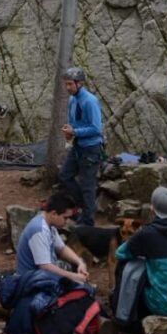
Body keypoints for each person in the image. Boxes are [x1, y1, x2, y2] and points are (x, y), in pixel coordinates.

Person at [114, 186, 167, 317]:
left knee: (127, 264)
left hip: (160, 306)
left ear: (152, 209)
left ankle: (124, 314)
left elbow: (120, 253)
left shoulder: (147, 234)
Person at [59, 67, 103, 225]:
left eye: (70, 84)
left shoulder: (90, 101)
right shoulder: (72, 100)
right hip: (78, 146)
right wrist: (70, 131)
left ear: (79, 83)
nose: (67, 87)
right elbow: (74, 121)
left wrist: (75, 131)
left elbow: (96, 128)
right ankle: (83, 207)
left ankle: (88, 220)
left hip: (91, 148)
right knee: (65, 175)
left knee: (88, 185)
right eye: (66, 84)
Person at [15, 190, 89, 284]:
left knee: (74, 266)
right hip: (31, 281)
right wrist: (73, 277)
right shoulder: (39, 230)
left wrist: (80, 262)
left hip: (42, 274)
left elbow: (62, 248)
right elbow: (45, 267)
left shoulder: (49, 224)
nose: (67, 221)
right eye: (65, 218)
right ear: (54, 214)